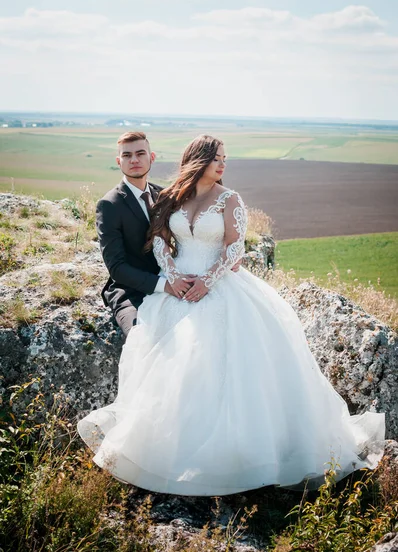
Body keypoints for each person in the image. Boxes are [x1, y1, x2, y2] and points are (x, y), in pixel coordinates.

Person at [78, 134, 385, 496]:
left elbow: (234, 247)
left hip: (218, 285)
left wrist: (206, 281)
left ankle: (241, 455)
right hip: (173, 286)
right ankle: (174, 446)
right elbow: (159, 237)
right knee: (165, 351)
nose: (223, 165)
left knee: (230, 362)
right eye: (216, 159)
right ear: (198, 160)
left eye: (225, 158)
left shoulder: (229, 198)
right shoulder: (168, 197)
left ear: (151, 156)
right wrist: (172, 276)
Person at [96, 131, 184, 338]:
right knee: (143, 340)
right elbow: (117, 268)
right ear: (119, 161)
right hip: (131, 292)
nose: (134, 160)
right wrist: (165, 286)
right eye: (127, 155)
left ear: (151, 158)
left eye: (140, 153)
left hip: (170, 280)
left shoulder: (163, 195)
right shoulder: (109, 205)